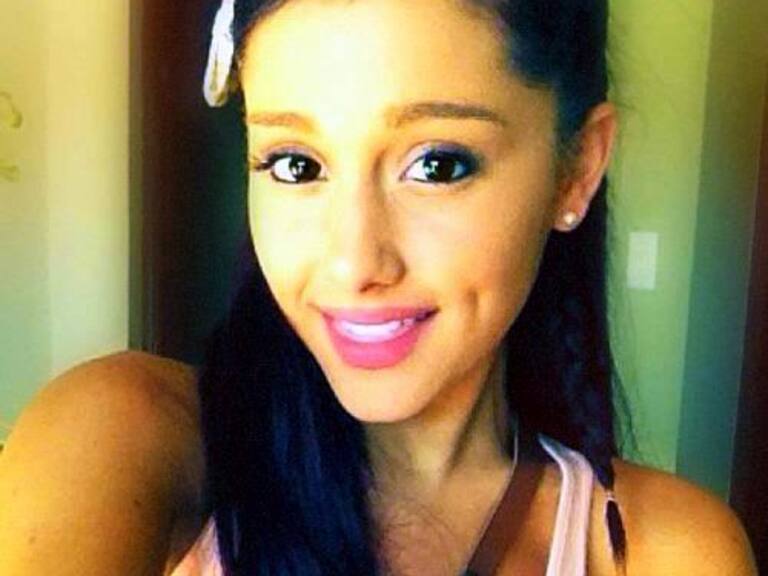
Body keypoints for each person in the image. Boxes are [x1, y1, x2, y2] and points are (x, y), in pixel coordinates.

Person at [0, 0, 757, 574]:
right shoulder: (129, 438)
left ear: (576, 170)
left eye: (437, 164)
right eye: (296, 164)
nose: (352, 263)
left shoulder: (663, 550)